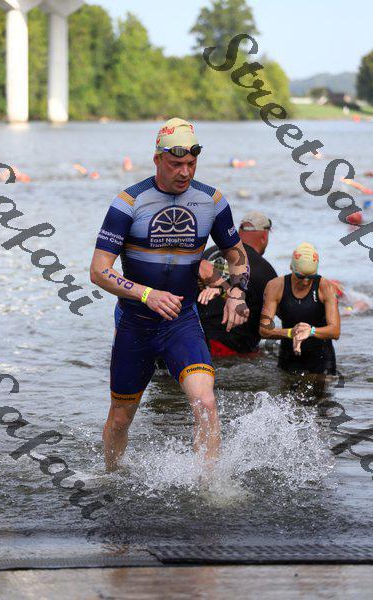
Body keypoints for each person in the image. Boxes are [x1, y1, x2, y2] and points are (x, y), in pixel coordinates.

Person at [90, 117, 250, 470]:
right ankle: (110, 477)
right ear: (157, 159)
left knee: (206, 404)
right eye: (176, 164)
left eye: (191, 163)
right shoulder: (128, 202)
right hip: (136, 324)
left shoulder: (212, 201)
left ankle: (208, 488)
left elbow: (236, 254)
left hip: (182, 322)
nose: (185, 172)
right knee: (120, 418)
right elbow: (99, 271)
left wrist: (238, 293)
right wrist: (147, 294)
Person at [197, 211, 277, 356]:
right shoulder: (265, 270)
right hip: (232, 348)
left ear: (239, 233)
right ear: (264, 236)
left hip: (197, 339)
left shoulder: (208, 253)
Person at [260, 242, 340, 375]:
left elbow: (335, 331)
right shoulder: (275, 286)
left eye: (311, 277)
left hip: (321, 358)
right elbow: (264, 329)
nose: (305, 281)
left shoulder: (326, 287)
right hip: (289, 356)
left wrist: (310, 331)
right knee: (285, 386)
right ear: (291, 267)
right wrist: (291, 332)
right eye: (301, 276)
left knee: (323, 388)